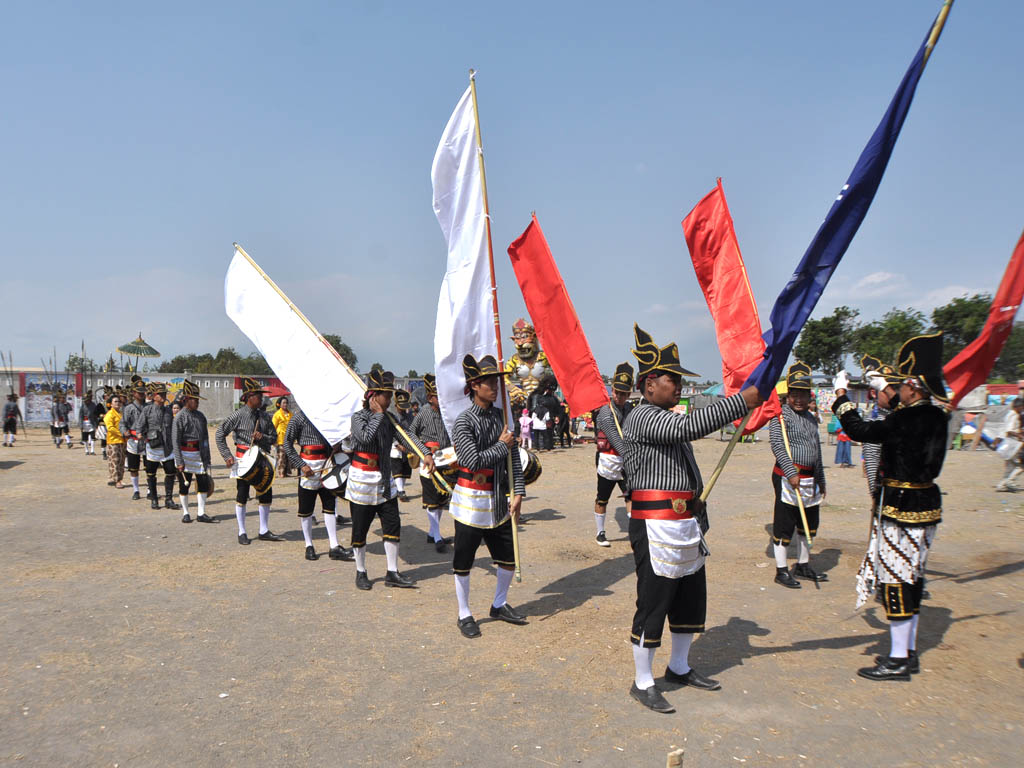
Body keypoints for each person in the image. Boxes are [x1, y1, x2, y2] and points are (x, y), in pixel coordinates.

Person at [621, 324, 761, 713]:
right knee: (653, 601)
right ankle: (643, 680)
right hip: (655, 525)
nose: (678, 387)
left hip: (684, 522)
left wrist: (696, 500)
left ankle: (679, 666)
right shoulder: (643, 417)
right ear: (649, 384)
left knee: (688, 597)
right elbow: (690, 426)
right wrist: (741, 401)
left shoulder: (663, 414)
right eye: (672, 380)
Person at [833, 332, 949, 681]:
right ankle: (908, 651)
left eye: (901, 385)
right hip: (925, 504)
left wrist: (841, 396)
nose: (898, 391)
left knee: (896, 580)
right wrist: (882, 383)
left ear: (914, 387)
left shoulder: (906, 419)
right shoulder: (935, 416)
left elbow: (858, 429)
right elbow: (897, 407)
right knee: (913, 578)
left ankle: (898, 658)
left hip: (901, 507)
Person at [449, 354, 527, 639]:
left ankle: (499, 603)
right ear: (475, 386)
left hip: (498, 500)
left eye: (496, 382)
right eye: (489, 382)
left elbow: (513, 458)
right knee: (464, 561)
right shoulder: (463, 421)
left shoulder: (501, 417)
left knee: (508, 558)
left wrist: (518, 491)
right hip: (470, 500)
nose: (495, 387)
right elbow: (471, 460)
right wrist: (501, 444)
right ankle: (464, 612)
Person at [345, 369, 432, 590]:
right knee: (360, 529)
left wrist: (425, 454)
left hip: (385, 480)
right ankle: (361, 571)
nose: (390, 399)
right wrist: (377, 415)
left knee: (393, 525)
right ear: (373, 397)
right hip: (362, 480)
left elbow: (407, 437)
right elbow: (365, 436)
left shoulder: (390, 419)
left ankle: (392, 572)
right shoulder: (358, 418)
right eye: (386, 394)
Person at [768, 362, 828, 588]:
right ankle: (781, 570)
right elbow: (778, 445)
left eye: (803, 394)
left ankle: (803, 564)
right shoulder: (781, 417)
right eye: (794, 394)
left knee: (808, 524)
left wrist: (821, 479)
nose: (799, 399)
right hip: (788, 477)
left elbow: (817, 450)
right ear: (788, 395)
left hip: (810, 479)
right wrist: (791, 472)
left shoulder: (812, 418)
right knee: (785, 524)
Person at [215, 377, 284, 545]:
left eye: (261, 396)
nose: (261, 399)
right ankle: (242, 531)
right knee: (242, 494)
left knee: (265, 493)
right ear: (249, 397)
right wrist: (227, 456)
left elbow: (274, 438)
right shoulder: (237, 415)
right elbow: (219, 434)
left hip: (262, 459)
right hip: (243, 460)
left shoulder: (265, 417)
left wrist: (263, 437)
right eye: (258, 396)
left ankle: (264, 530)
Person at [284, 408, 355, 562]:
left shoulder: (328, 417)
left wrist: (337, 447)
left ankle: (334, 545)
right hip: (308, 466)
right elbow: (287, 444)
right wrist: (301, 465)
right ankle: (309, 545)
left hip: (327, 465)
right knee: (306, 509)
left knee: (330, 506)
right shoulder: (298, 418)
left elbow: (338, 440)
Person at [592, 362, 635, 547]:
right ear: (612, 390)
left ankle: (635, 531)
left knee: (630, 496)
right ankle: (600, 532)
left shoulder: (630, 409)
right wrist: (631, 455)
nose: (620, 397)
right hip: (608, 459)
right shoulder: (605, 412)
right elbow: (615, 438)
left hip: (626, 462)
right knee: (603, 498)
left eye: (624, 393)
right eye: (618, 392)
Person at [410, 374, 453, 552]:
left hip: (446, 461)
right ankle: (436, 537)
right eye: (438, 395)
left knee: (441, 500)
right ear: (429, 398)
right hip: (429, 463)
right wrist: (425, 452)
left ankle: (432, 532)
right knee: (432, 501)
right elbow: (410, 434)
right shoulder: (423, 412)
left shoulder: (446, 412)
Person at [171, 379, 215, 524]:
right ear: (187, 400)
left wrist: (207, 456)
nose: (197, 402)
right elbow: (175, 441)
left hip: (199, 454)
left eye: (197, 399)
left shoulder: (201, 416)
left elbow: (205, 439)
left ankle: (201, 512)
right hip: (184, 454)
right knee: (185, 484)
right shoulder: (179, 418)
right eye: (195, 399)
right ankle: (186, 512)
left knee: (202, 483)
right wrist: (179, 460)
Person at [136, 382, 180, 512]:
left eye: (164, 394)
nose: (163, 396)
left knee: (171, 472)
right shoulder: (147, 409)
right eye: (160, 394)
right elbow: (140, 425)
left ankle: (169, 498)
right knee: (151, 474)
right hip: (153, 445)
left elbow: (172, 426)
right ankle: (154, 498)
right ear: (154, 396)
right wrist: (140, 435)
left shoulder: (168, 410)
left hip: (167, 446)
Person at [121, 377, 147, 500]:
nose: (141, 394)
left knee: (149, 467)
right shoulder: (128, 408)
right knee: (133, 467)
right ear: (134, 393)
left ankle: (149, 489)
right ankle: (136, 490)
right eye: (139, 392)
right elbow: (123, 423)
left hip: (146, 440)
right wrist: (124, 431)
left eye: (143, 392)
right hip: (132, 440)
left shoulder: (149, 407)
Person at [994, 397, 1024, 491]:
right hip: (1013, 442)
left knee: (1010, 466)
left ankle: (1002, 485)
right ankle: (1010, 481)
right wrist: (1020, 436)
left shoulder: (1010, 414)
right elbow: (1009, 430)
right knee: (1020, 465)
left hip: (1009, 442)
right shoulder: (1014, 415)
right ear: (1019, 406)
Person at [390, 389, 414, 502]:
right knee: (397, 468)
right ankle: (400, 490)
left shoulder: (410, 416)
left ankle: (401, 488)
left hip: (408, 446)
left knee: (406, 470)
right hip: (395, 446)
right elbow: (389, 431)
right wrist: (396, 444)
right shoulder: (392, 416)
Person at [104, 395, 126, 487]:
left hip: (122, 440)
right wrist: (121, 433)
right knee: (115, 461)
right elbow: (110, 428)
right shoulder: (109, 414)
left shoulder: (120, 414)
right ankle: (117, 480)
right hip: (113, 440)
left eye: (119, 402)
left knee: (121, 461)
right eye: (115, 401)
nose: (117, 403)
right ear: (111, 404)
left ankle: (118, 478)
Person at [272, 396, 293, 478]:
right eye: (283, 403)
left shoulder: (290, 414)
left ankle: (286, 472)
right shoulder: (277, 414)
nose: (285, 404)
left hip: (289, 438)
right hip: (280, 438)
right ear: (279, 404)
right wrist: (273, 439)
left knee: (288, 456)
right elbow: (273, 427)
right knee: (281, 456)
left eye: (286, 403)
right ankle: (281, 472)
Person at [79, 390, 102, 455]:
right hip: (84, 423)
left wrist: (97, 424)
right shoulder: (83, 406)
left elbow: (95, 415)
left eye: (87, 400)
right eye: (85, 400)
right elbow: (80, 416)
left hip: (92, 423)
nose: (86, 401)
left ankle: (92, 450)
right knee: (85, 438)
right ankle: (86, 450)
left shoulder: (93, 405)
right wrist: (81, 425)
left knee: (93, 437)